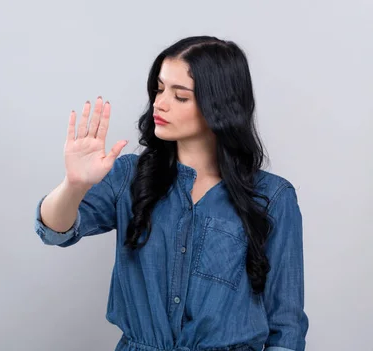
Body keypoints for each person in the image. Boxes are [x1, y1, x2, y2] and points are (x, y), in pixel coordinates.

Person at [33, 36, 308, 351]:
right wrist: (74, 184)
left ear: (219, 104)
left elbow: (286, 327)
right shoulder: (128, 177)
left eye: (180, 96)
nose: (159, 103)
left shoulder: (272, 197)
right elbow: (54, 231)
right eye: (159, 89)